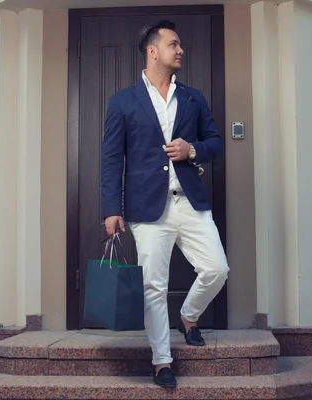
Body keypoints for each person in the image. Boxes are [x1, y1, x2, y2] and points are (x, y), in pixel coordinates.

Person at [100, 20, 229, 388]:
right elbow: (111, 158)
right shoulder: (123, 101)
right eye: (174, 44)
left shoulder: (193, 97)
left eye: (182, 44)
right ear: (153, 51)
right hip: (146, 208)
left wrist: (193, 150)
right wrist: (112, 208)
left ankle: (188, 316)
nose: (181, 50)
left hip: (190, 202)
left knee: (217, 269)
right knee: (153, 287)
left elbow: (215, 143)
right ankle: (161, 361)